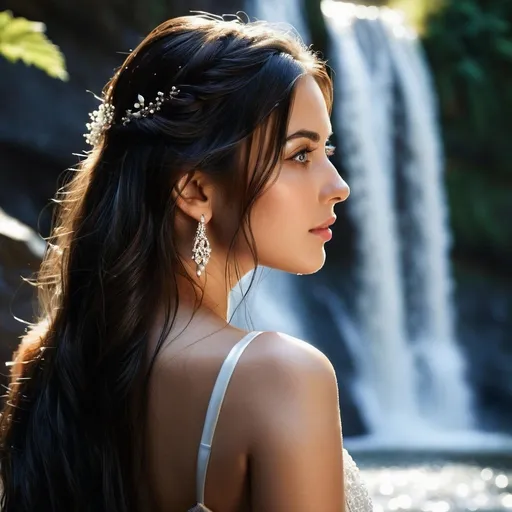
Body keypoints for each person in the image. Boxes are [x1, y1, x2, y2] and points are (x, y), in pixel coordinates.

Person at [0, 13, 373, 512]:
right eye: (300, 155)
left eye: (328, 150)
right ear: (195, 189)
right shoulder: (280, 377)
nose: (338, 185)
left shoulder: (44, 360)